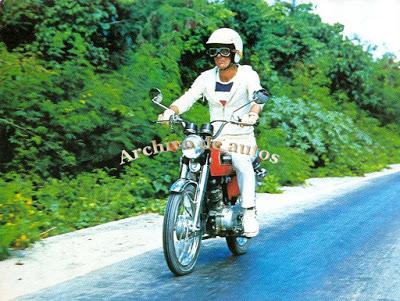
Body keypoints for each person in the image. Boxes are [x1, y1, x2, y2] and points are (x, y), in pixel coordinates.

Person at [158, 28, 266, 237]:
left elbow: (257, 96)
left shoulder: (247, 75)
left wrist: (252, 114)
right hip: (216, 139)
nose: (219, 57)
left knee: (241, 161)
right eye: (215, 52)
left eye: (224, 52)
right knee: (190, 159)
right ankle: (195, 207)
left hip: (242, 138)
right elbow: (188, 97)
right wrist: (171, 111)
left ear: (235, 52)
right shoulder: (206, 78)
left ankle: (249, 212)